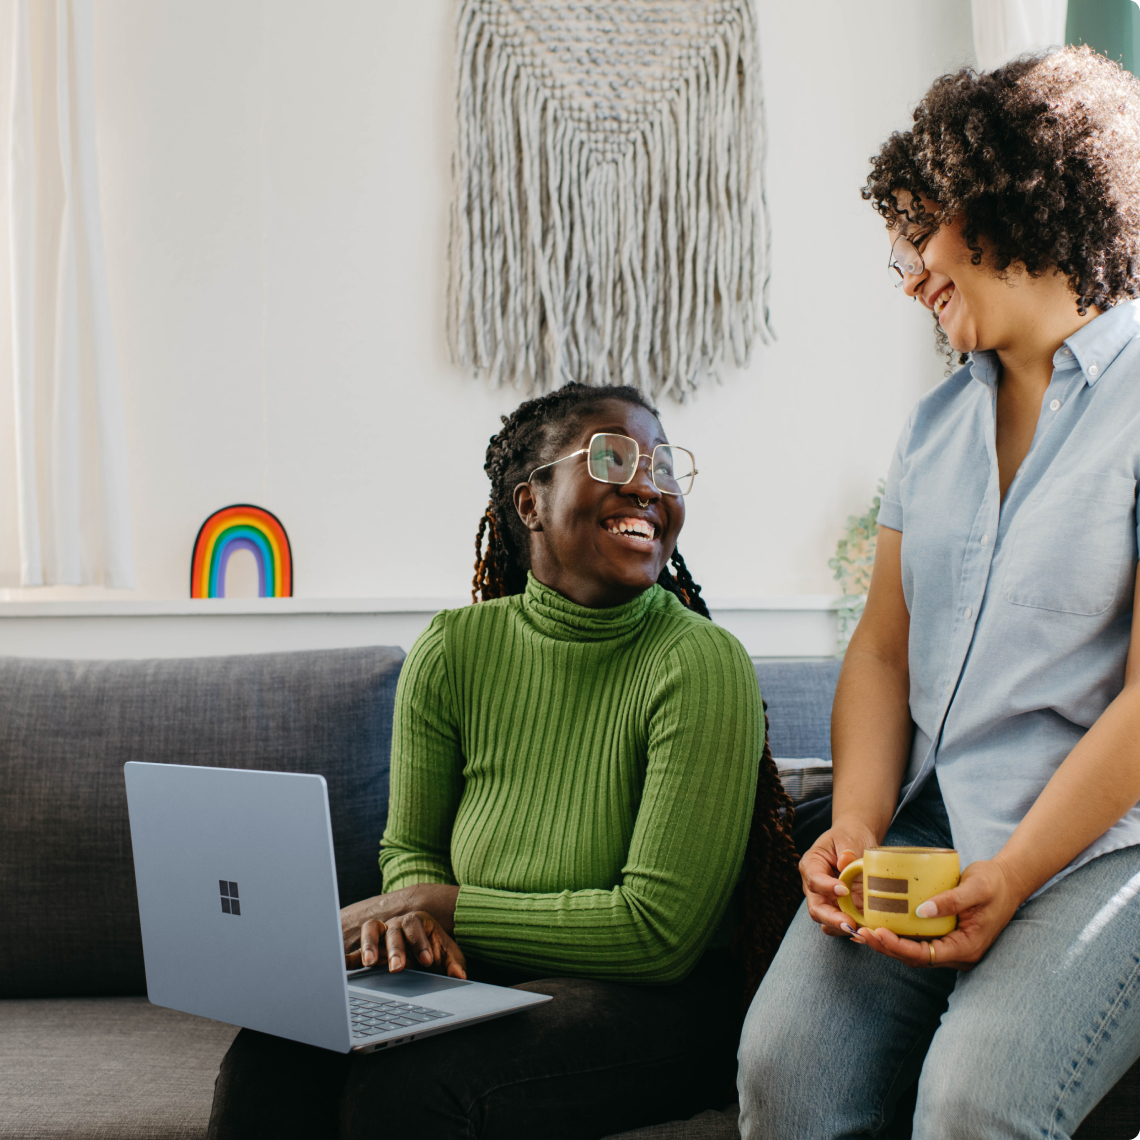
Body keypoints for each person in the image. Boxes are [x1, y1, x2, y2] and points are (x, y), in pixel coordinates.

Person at [209, 382, 801, 1139]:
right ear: (530, 504)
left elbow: (659, 934)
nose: (648, 483)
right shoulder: (454, 649)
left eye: (661, 463)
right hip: (478, 973)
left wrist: (438, 907)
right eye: (614, 456)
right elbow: (412, 847)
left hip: (656, 999)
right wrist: (412, 926)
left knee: (412, 1090)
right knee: (275, 1050)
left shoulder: (699, 661)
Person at [738, 47, 1140, 1139]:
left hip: (1105, 848)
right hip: (935, 827)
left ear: (1013, 196)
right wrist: (859, 826)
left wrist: (1013, 874)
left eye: (922, 236)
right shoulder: (935, 426)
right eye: (897, 252)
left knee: (975, 1105)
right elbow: (881, 650)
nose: (910, 274)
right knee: (785, 1072)